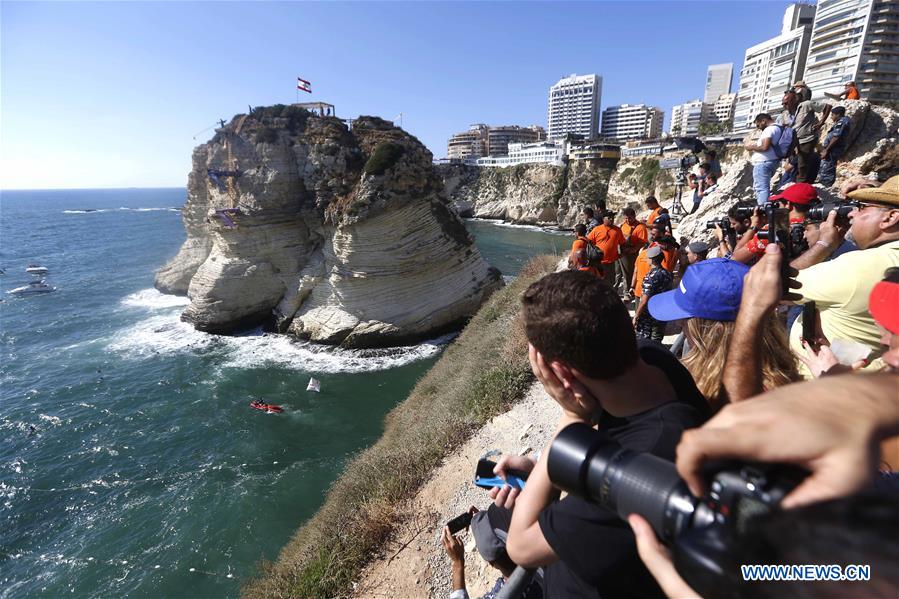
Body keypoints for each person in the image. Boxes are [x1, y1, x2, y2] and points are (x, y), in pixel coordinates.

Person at [506, 270, 709, 599]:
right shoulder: (654, 360)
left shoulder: (640, 473)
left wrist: (571, 416)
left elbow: (521, 546)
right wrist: (537, 469)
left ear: (560, 374)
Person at [649, 257, 798, 410]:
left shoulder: (695, 393)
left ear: (713, 333)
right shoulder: (786, 381)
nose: (679, 323)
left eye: (686, 318)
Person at [788, 175, 899, 376]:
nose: (852, 215)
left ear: (890, 218)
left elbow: (772, 286)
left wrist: (824, 245)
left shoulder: (859, 266)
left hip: (826, 388)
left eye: (863, 207)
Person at [443, 506, 543, 599]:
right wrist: (486, 522)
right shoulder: (546, 553)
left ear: (492, 564)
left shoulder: (504, 595)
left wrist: (458, 563)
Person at [731, 183, 819, 265]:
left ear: (788, 204)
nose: (776, 208)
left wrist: (754, 225)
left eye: (778, 204)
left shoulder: (776, 229)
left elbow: (735, 258)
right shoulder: (820, 227)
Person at [780, 90, 831, 184]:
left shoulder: (806, 105)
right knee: (792, 162)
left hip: (807, 138)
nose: (784, 105)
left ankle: (801, 184)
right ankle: (795, 182)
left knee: (802, 163)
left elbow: (827, 107)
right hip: (793, 140)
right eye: (783, 103)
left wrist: (821, 123)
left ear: (794, 100)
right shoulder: (785, 113)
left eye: (786, 103)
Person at [633, 247, 672, 343]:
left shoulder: (651, 276)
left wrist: (636, 316)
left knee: (645, 342)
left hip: (649, 315)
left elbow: (644, 300)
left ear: (653, 260)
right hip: (662, 312)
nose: (646, 260)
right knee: (657, 340)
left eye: (648, 258)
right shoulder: (667, 273)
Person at [745, 113, 783, 205]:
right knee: (763, 187)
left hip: (763, 162)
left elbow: (765, 147)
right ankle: (764, 206)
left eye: (758, 124)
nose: (758, 127)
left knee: (761, 188)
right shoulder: (779, 128)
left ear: (763, 121)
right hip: (772, 161)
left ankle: (762, 209)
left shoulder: (769, 129)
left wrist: (751, 147)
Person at [818, 105, 851, 187]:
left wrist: (827, 150)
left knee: (827, 168)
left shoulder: (842, 122)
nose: (831, 117)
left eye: (832, 115)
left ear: (838, 114)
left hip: (832, 150)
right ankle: (825, 184)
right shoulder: (841, 121)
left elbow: (836, 137)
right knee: (824, 167)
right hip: (831, 149)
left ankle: (826, 186)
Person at [617, 208, 648, 296]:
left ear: (634, 217)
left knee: (628, 273)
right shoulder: (623, 225)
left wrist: (633, 250)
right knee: (618, 273)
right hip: (621, 251)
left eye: (629, 218)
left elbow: (642, 242)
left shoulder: (640, 227)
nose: (627, 220)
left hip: (631, 253)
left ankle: (627, 292)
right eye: (626, 218)